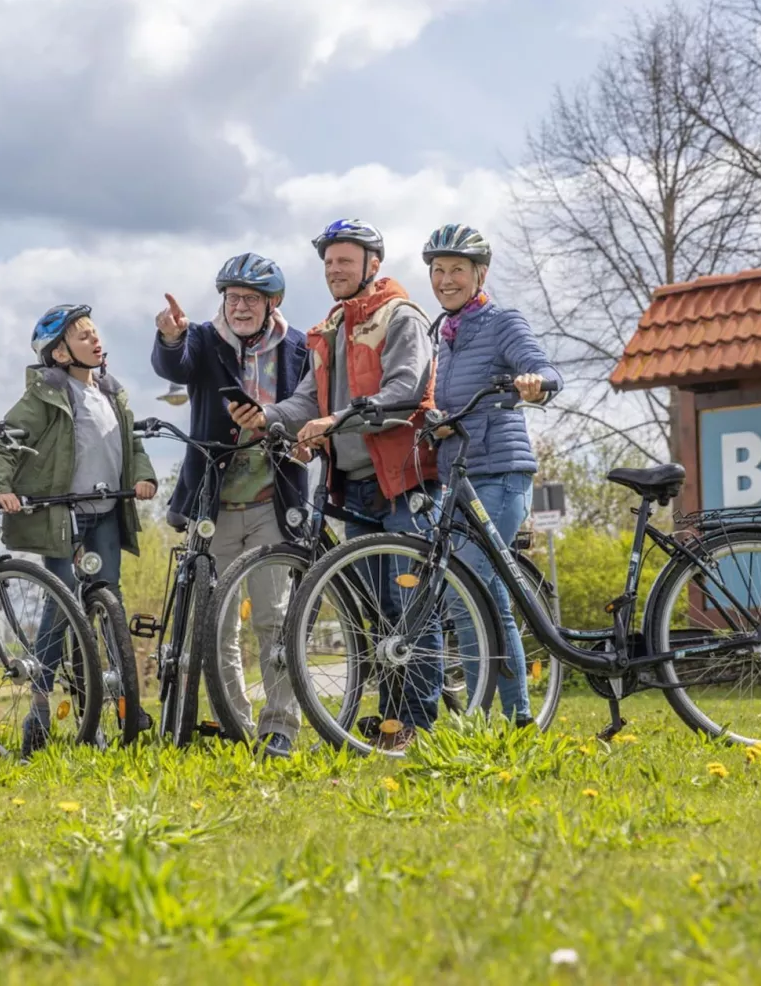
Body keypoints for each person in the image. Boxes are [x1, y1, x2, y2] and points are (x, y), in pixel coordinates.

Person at [227, 219, 440, 752]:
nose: (335, 271)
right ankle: (392, 719)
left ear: (372, 264)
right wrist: (266, 418)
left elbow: (403, 391)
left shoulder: (400, 316)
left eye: (345, 261)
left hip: (404, 479)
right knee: (378, 611)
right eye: (328, 263)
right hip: (356, 487)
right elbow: (305, 402)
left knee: (408, 605)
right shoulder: (329, 330)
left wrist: (334, 422)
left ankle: (417, 725)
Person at [152, 253, 310, 756]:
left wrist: (294, 434)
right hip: (215, 504)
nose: (240, 307)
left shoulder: (298, 348)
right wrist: (172, 336)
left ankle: (279, 726)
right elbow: (171, 365)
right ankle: (235, 722)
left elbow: (312, 405)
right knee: (216, 624)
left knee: (274, 617)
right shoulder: (202, 338)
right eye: (233, 298)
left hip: (273, 498)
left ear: (272, 303)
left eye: (251, 299)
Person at [0, 303, 158, 752]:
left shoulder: (111, 393)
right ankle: (39, 711)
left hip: (105, 511)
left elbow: (132, 443)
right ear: (60, 354)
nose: (96, 341)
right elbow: (6, 442)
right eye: (83, 337)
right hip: (64, 515)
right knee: (61, 608)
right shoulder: (46, 395)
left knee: (108, 605)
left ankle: (113, 707)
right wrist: (1, 487)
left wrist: (144, 477)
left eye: (95, 334)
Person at [424, 223, 560, 726]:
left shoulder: (502, 321)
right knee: (480, 594)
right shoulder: (443, 334)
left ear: (480, 273)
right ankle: (515, 720)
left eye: (457, 269)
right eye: (438, 270)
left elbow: (547, 371)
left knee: (472, 593)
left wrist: (533, 383)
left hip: (500, 473)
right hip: (455, 476)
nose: (446, 279)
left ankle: (504, 717)